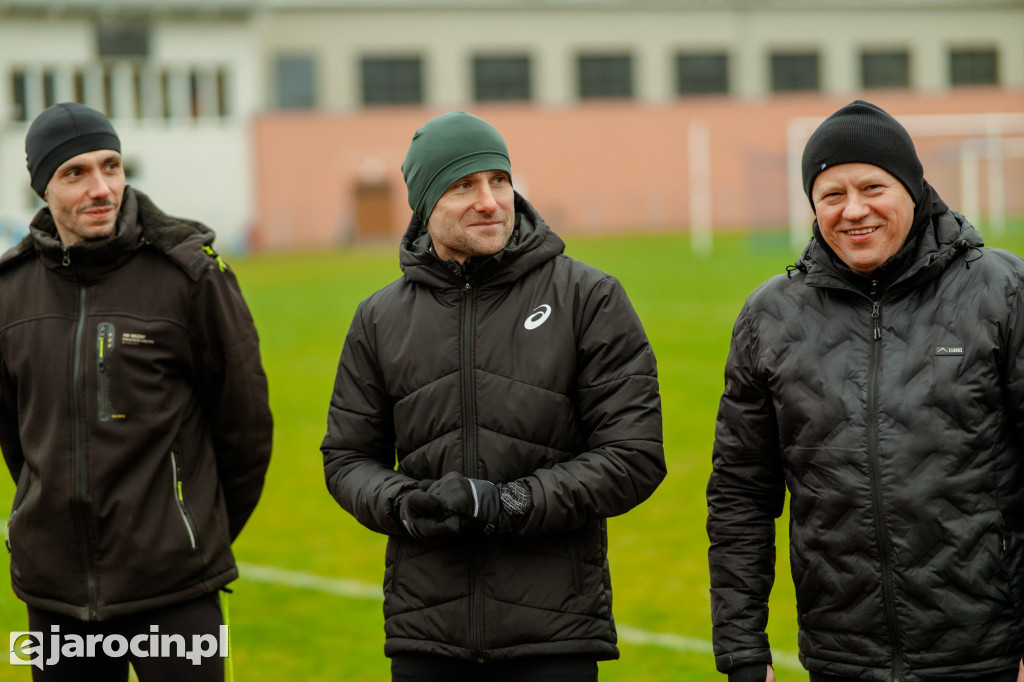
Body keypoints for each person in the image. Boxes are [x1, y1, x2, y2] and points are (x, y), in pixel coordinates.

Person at [321, 110, 666, 681]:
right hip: (425, 637)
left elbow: (633, 456)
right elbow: (347, 457)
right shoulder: (378, 318)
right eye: (464, 185)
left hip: (554, 638)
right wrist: (403, 505)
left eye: (499, 180)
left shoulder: (589, 297)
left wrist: (510, 503)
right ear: (426, 202)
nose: (490, 201)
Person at [707, 98, 1024, 682]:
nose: (853, 211)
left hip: (985, 654)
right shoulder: (770, 315)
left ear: (912, 187)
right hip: (840, 657)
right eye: (832, 195)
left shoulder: (1001, 290)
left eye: (872, 188)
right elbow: (739, 497)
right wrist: (742, 649)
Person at [0, 102, 273, 681]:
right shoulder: (9, 292)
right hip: (56, 599)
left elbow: (245, 430)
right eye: (75, 173)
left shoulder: (191, 278)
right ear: (42, 188)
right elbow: (18, 438)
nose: (102, 188)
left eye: (112, 166)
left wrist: (188, 529)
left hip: (174, 594)